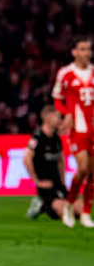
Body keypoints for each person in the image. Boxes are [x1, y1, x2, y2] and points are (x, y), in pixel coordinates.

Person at [51, 36, 94, 228]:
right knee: (82, 169)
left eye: (89, 49)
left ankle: (86, 213)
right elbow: (57, 99)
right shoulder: (65, 73)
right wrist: (67, 113)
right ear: (74, 52)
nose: (86, 53)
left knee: (92, 174)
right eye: (82, 49)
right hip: (78, 128)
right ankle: (69, 205)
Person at [24, 105, 70, 222]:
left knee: (78, 209)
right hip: (46, 185)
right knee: (63, 211)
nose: (60, 120)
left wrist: (63, 181)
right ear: (48, 117)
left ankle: (44, 205)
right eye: (58, 117)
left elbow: (61, 160)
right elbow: (27, 159)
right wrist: (37, 181)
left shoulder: (56, 139)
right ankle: (42, 205)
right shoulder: (37, 138)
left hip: (57, 183)